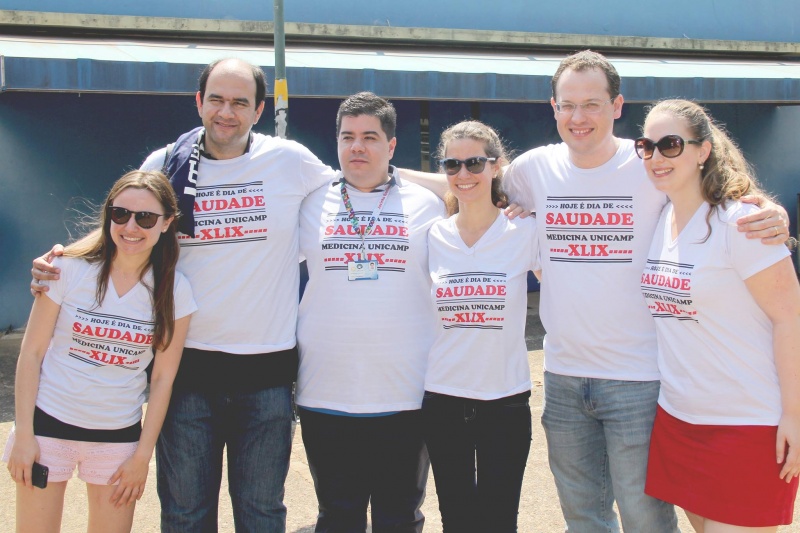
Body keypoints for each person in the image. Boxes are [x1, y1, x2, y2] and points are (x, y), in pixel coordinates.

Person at [402, 50, 790, 532]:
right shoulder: (534, 170)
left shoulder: (649, 162)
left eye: (591, 103)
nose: (578, 116)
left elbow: (712, 187)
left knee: (644, 517)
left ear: (617, 105)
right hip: (563, 378)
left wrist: (766, 207)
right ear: (553, 108)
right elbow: (468, 182)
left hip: (640, 377)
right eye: (567, 105)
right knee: (583, 518)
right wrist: (385, 175)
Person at [31, 58, 338, 532]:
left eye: (239, 102)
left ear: (259, 110)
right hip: (184, 373)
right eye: (216, 99)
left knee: (261, 514)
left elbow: (359, 184)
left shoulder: (289, 161)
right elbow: (128, 227)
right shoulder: (165, 163)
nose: (226, 112)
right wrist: (60, 261)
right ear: (199, 103)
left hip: (266, 374)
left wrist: (467, 190)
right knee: (185, 514)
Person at [637, 99, 800, 532]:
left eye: (671, 145)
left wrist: (795, 416)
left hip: (746, 424)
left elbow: (791, 318)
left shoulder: (741, 223)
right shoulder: (663, 215)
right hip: (679, 419)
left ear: (703, 150)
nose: (656, 156)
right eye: (647, 146)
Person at [4, 170, 195, 533]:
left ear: (167, 223)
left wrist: (142, 456)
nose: (131, 227)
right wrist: (24, 435)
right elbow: (31, 354)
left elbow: (163, 378)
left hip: (116, 437)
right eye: (120, 214)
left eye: (146, 217)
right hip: (46, 430)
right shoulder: (67, 269)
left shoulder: (174, 290)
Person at [296, 92, 443, 532]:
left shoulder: (428, 204)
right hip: (325, 393)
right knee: (337, 517)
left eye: (370, 137)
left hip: (406, 393)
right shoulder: (308, 202)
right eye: (347, 137)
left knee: (399, 518)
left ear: (392, 146)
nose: (356, 147)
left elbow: (483, 187)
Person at [422, 121, 539, 532]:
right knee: (455, 517)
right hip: (443, 397)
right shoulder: (433, 235)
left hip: (504, 399)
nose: (463, 175)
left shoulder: (524, 229)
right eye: (452, 165)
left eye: (474, 163)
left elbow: (570, 287)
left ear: (495, 165)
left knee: (499, 518)